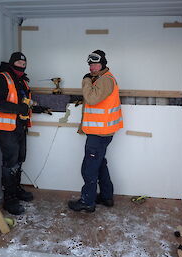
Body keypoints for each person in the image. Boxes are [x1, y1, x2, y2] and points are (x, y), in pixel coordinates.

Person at [0, 52, 51, 215]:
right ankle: (9, 199)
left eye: (24, 64)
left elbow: (23, 101)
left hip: (20, 126)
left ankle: (16, 190)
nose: (21, 67)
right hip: (6, 128)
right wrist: (20, 109)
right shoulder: (1, 79)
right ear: (11, 63)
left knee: (20, 159)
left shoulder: (22, 81)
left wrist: (37, 108)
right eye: (18, 63)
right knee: (10, 162)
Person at [68, 50, 123, 212]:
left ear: (103, 64)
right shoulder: (102, 78)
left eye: (95, 64)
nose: (92, 67)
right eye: (90, 64)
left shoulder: (105, 80)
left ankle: (87, 201)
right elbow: (97, 101)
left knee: (89, 168)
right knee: (99, 164)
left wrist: (85, 81)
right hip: (102, 132)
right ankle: (106, 196)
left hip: (99, 133)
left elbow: (92, 98)